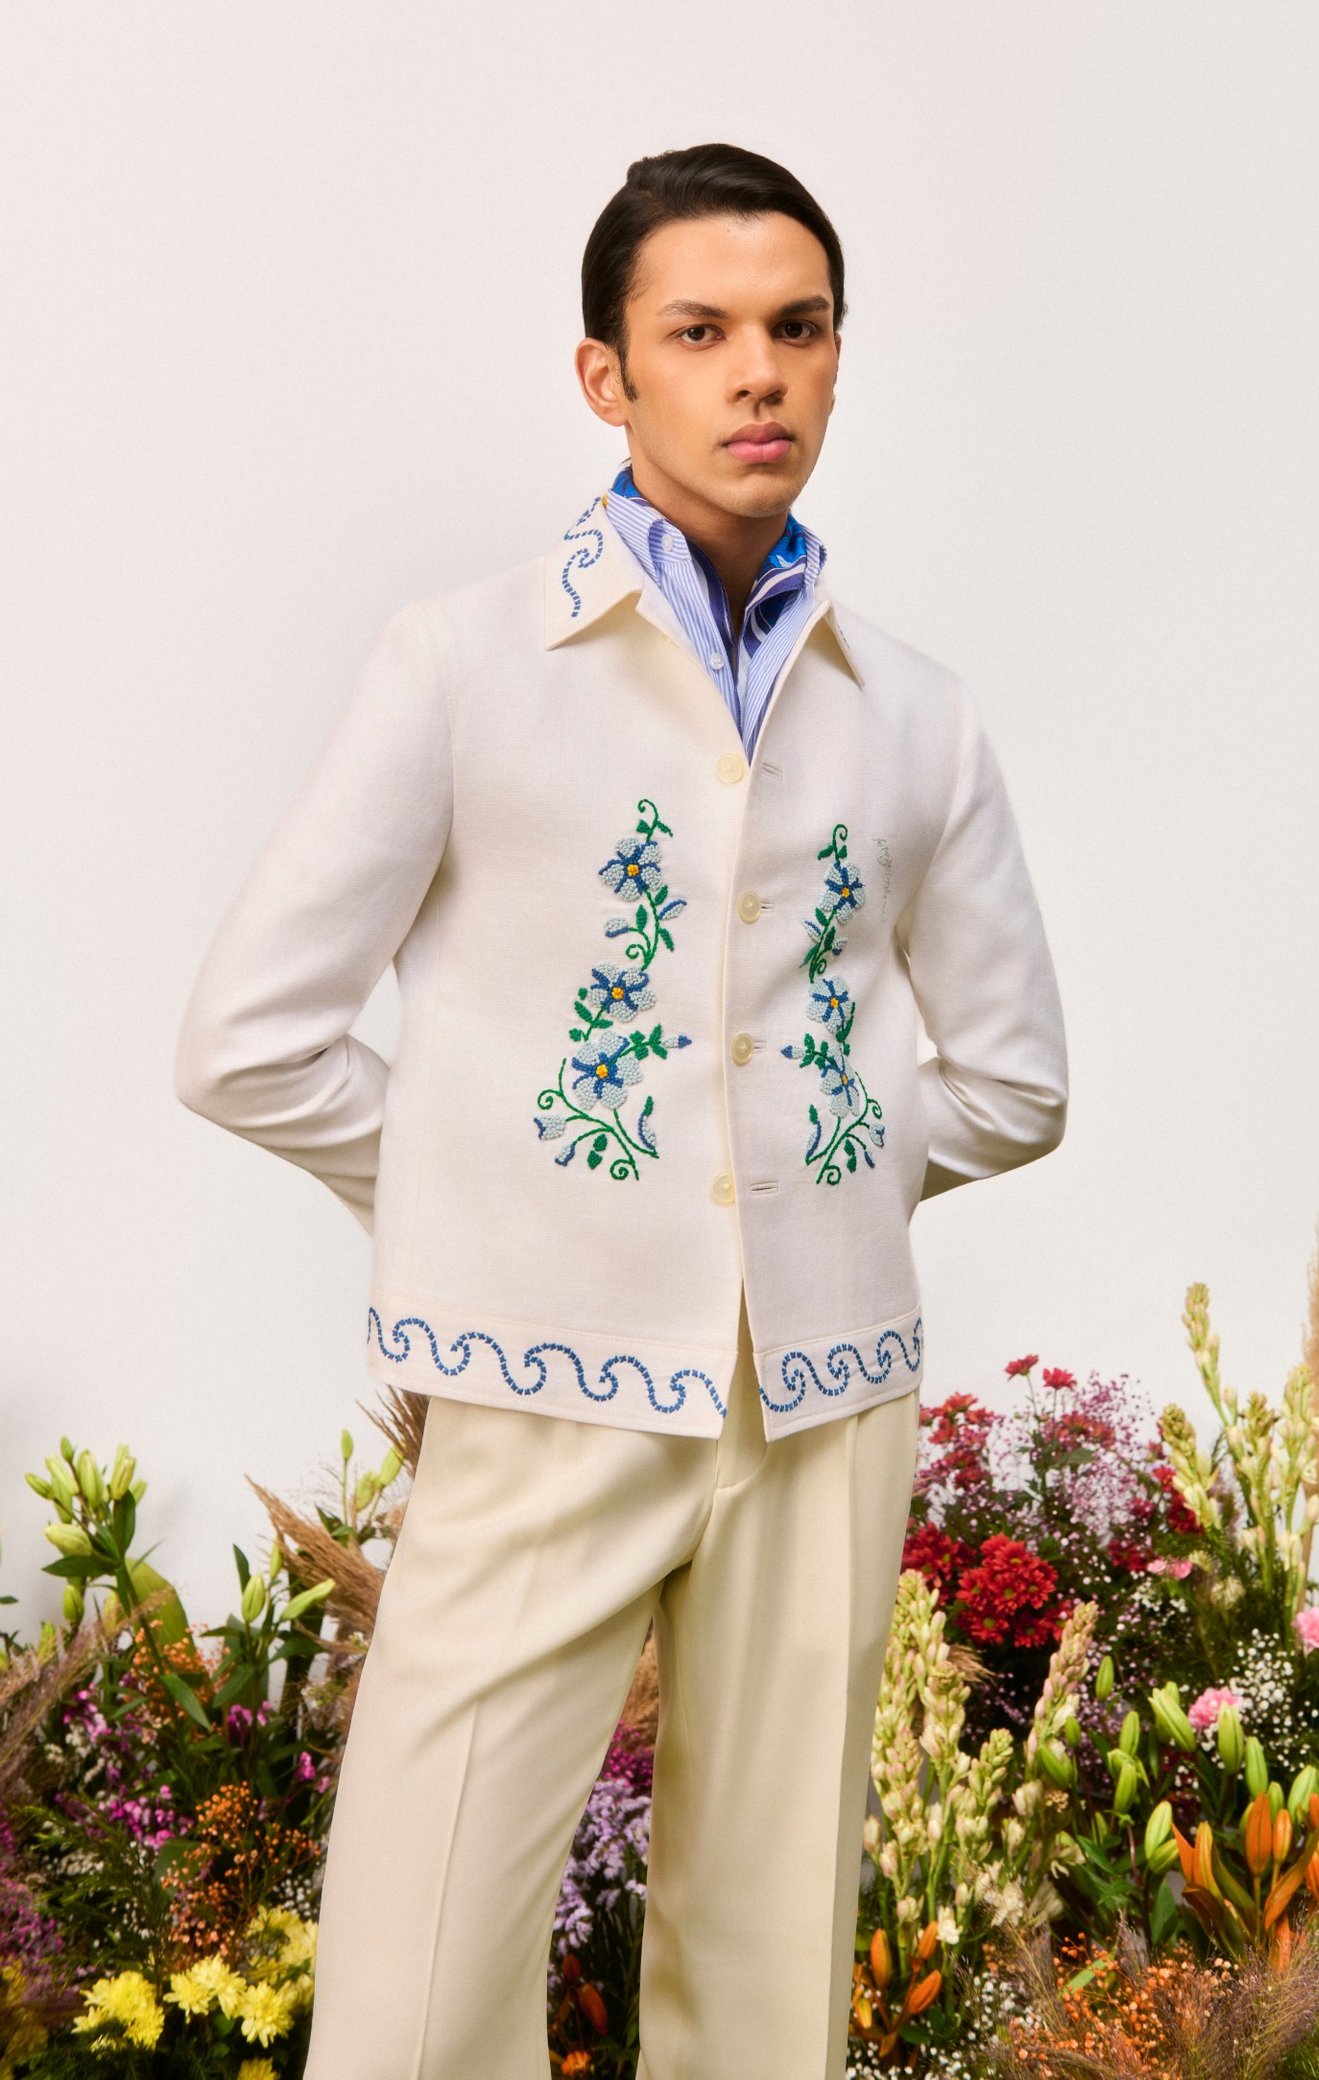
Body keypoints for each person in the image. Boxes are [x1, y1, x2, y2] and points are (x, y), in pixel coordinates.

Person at [173, 141, 1070, 2079]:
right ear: (607, 374)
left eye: (797, 329)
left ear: (838, 358)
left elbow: (1013, 1080)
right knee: (416, 1993)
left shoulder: (916, 713)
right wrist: (487, 1184)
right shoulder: (464, 662)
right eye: (699, 332)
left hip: (820, 1403)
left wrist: (802, 1170)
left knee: (766, 1988)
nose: (757, 373)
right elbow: (248, 1037)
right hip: (538, 1381)